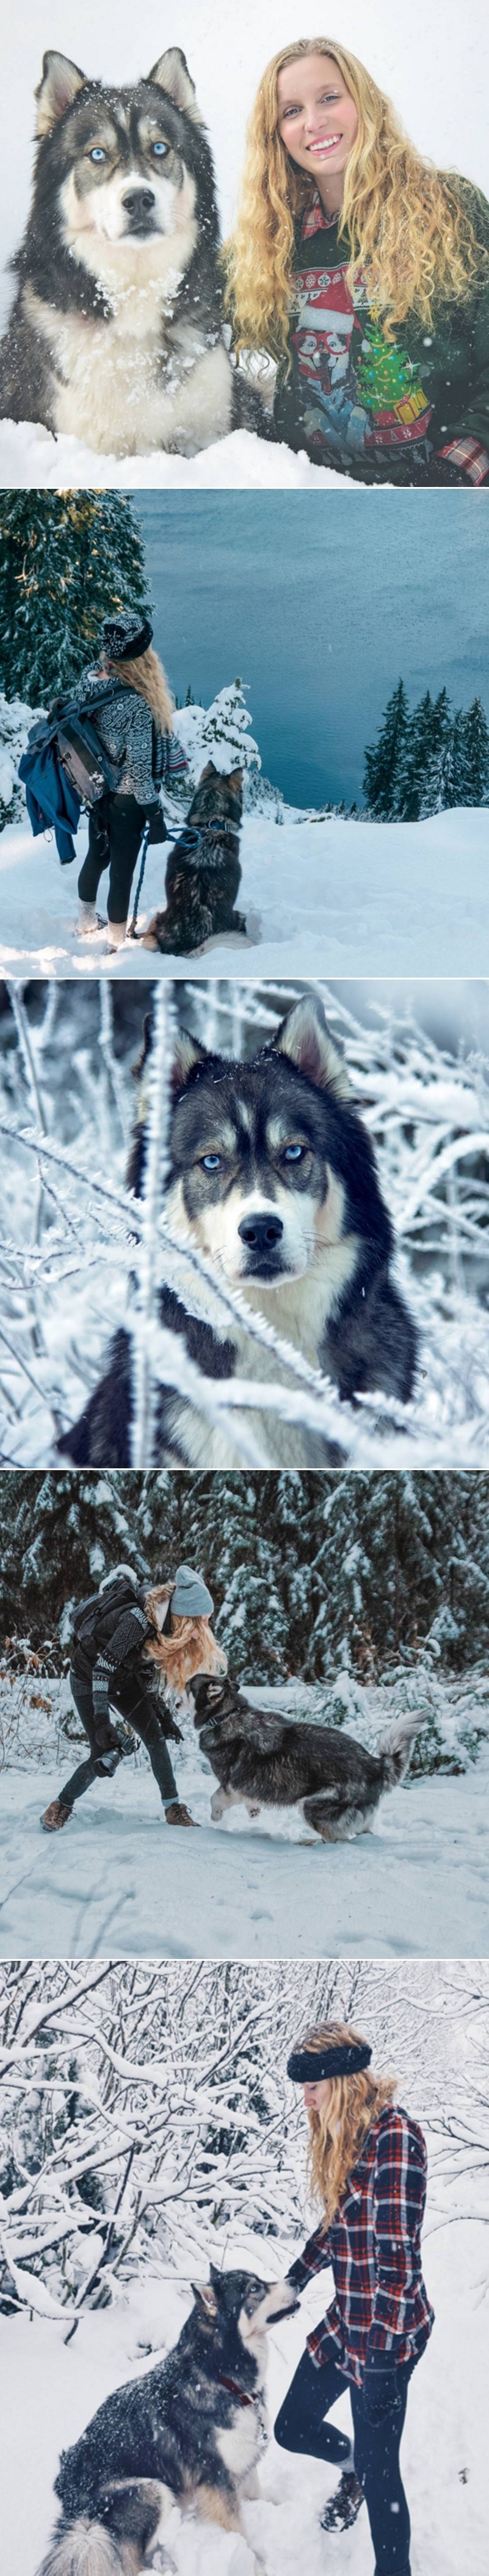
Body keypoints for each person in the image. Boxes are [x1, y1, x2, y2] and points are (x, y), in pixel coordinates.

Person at [226, 38, 489, 484]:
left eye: (329, 98)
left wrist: (455, 469)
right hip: (315, 497)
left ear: (363, 102)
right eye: (291, 111)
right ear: (276, 135)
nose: (313, 122)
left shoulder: (450, 209)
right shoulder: (263, 244)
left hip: (443, 494)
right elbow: (179, 313)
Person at [274, 2020, 434, 2572]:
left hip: (388, 2333)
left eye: (312, 2087)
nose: (306, 2099)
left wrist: (384, 2365)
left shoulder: (395, 2136)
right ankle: (352, 2472)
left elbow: (397, 2260)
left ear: (340, 2080)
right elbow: (334, 2227)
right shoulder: (346, 2135)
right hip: (347, 2322)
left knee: (380, 2466)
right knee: (291, 2427)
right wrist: (292, 2282)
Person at [41, 1562, 227, 1835]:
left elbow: (144, 1673)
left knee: (156, 1739)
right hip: (89, 1678)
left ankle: (173, 1808)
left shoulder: (165, 1629)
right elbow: (102, 1669)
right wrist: (102, 1721)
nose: (205, 1627)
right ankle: (61, 1804)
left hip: (124, 1680)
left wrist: (163, 1717)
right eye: (203, 1620)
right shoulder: (138, 1621)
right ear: (186, 1618)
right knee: (100, 1752)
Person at [74, 610, 188, 948]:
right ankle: (115, 943)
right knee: (121, 872)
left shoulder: (90, 681)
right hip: (127, 801)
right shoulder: (137, 706)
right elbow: (139, 773)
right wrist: (155, 816)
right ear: (142, 657)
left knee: (97, 856)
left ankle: (84, 923)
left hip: (96, 789)